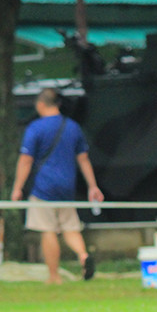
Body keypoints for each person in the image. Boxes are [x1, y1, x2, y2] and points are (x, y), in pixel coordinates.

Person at [11, 88, 103, 284]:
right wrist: (93, 186)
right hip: (66, 188)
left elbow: (26, 160)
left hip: (43, 187)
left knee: (48, 230)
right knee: (70, 228)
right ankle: (83, 255)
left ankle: (54, 276)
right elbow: (84, 159)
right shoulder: (72, 127)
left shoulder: (35, 128)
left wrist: (18, 187)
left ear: (40, 104)